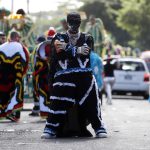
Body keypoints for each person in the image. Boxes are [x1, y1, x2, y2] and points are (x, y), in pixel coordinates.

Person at [41, 12, 107, 139]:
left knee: (91, 96)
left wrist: (67, 48)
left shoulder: (87, 37)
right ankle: (51, 127)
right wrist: (76, 50)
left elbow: (85, 53)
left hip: (84, 75)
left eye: (77, 22)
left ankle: (98, 126)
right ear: (67, 23)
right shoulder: (58, 37)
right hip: (64, 76)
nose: (74, 25)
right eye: (72, 22)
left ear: (80, 23)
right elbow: (59, 53)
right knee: (59, 94)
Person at [0, 31, 29, 121]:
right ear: (16, 37)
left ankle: (3, 112)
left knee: (3, 94)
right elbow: (26, 59)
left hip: (2, 76)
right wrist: (22, 73)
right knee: (16, 94)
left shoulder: (1, 46)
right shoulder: (20, 46)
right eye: (19, 37)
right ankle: (15, 115)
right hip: (15, 76)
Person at [29, 35, 46, 117]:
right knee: (39, 91)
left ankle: (38, 109)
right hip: (38, 73)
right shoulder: (42, 48)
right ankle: (37, 109)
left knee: (37, 91)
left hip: (37, 74)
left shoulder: (38, 48)